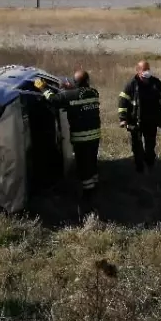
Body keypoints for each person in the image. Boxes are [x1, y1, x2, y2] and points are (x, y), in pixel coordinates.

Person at [43, 69, 102, 219]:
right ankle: (95, 184)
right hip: (94, 136)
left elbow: (53, 100)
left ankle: (88, 196)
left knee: (83, 166)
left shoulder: (69, 95)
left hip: (81, 137)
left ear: (74, 83)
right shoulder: (93, 93)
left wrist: (43, 88)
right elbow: (77, 95)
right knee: (92, 161)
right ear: (87, 82)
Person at [118, 60, 161, 175]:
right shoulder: (131, 84)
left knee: (150, 145)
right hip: (135, 121)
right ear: (138, 71)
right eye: (144, 70)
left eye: (148, 70)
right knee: (137, 146)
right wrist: (122, 119)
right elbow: (123, 102)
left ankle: (150, 165)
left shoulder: (155, 82)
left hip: (151, 120)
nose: (147, 73)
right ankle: (139, 169)